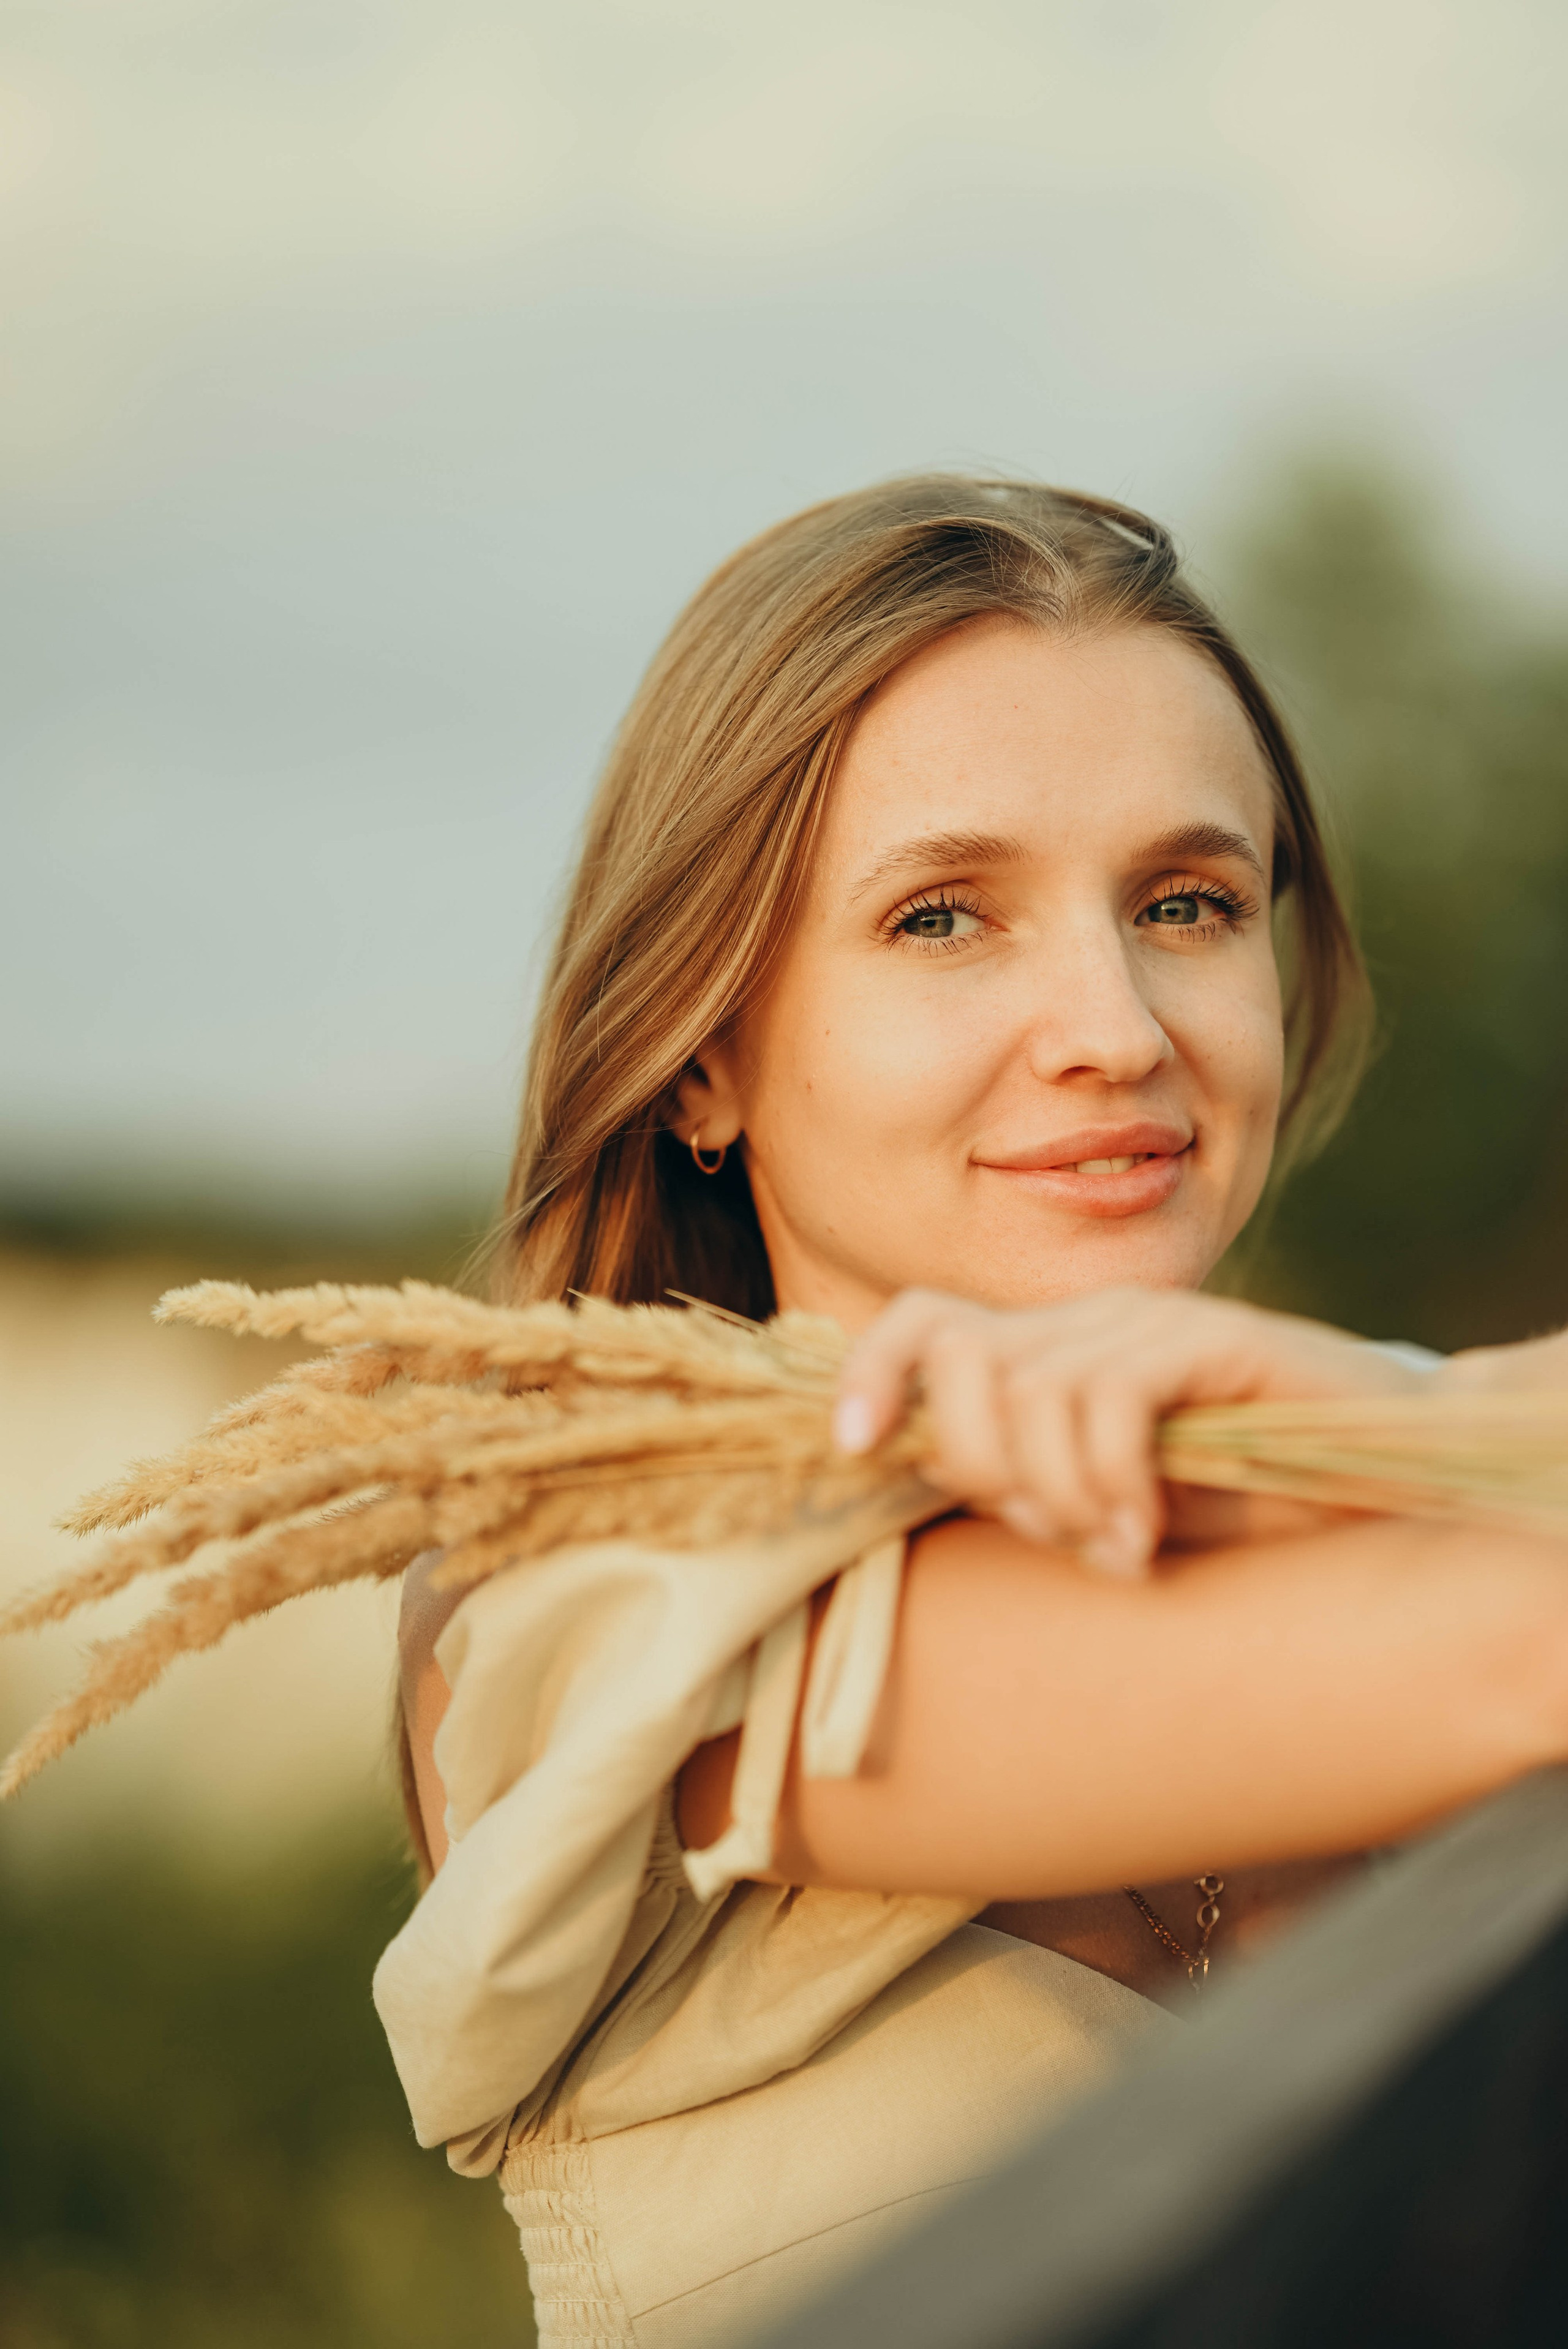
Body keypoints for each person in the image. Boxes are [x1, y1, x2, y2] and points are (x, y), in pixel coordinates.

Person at [385, 477, 1568, 2349]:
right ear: (699, 1056)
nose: (1118, 1026)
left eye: (1186, 902)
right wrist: (1460, 1424)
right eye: (943, 916)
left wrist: (1414, 1407)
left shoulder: (1352, 1475)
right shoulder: (595, 1585)